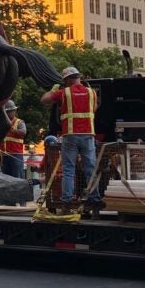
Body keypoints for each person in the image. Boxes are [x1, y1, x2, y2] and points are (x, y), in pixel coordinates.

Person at [40, 66, 103, 212]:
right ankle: (95, 199)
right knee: (90, 169)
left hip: (70, 135)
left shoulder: (64, 93)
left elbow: (44, 99)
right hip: (88, 135)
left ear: (68, 79)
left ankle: (66, 202)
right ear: (78, 77)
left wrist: (54, 90)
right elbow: (93, 110)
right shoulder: (92, 93)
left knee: (69, 170)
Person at [0, 100, 27, 179]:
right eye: (7, 112)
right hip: (4, 155)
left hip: (16, 155)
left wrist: (13, 130)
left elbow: (23, 132)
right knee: (6, 178)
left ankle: (19, 191)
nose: (9, 113)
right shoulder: (1, 123)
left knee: (17, 178)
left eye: (11, 111)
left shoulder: (19, 122)